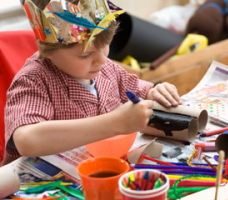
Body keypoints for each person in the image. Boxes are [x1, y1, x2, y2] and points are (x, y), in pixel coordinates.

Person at [3, 0, 182, 165]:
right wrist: (114, 123)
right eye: (85, 55)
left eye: (105, 46)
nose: (101, 61)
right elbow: (26, 140)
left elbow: (140, 90)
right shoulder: (34, 80)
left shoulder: (106, 68)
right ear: (47, 50)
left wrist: (157, 91)